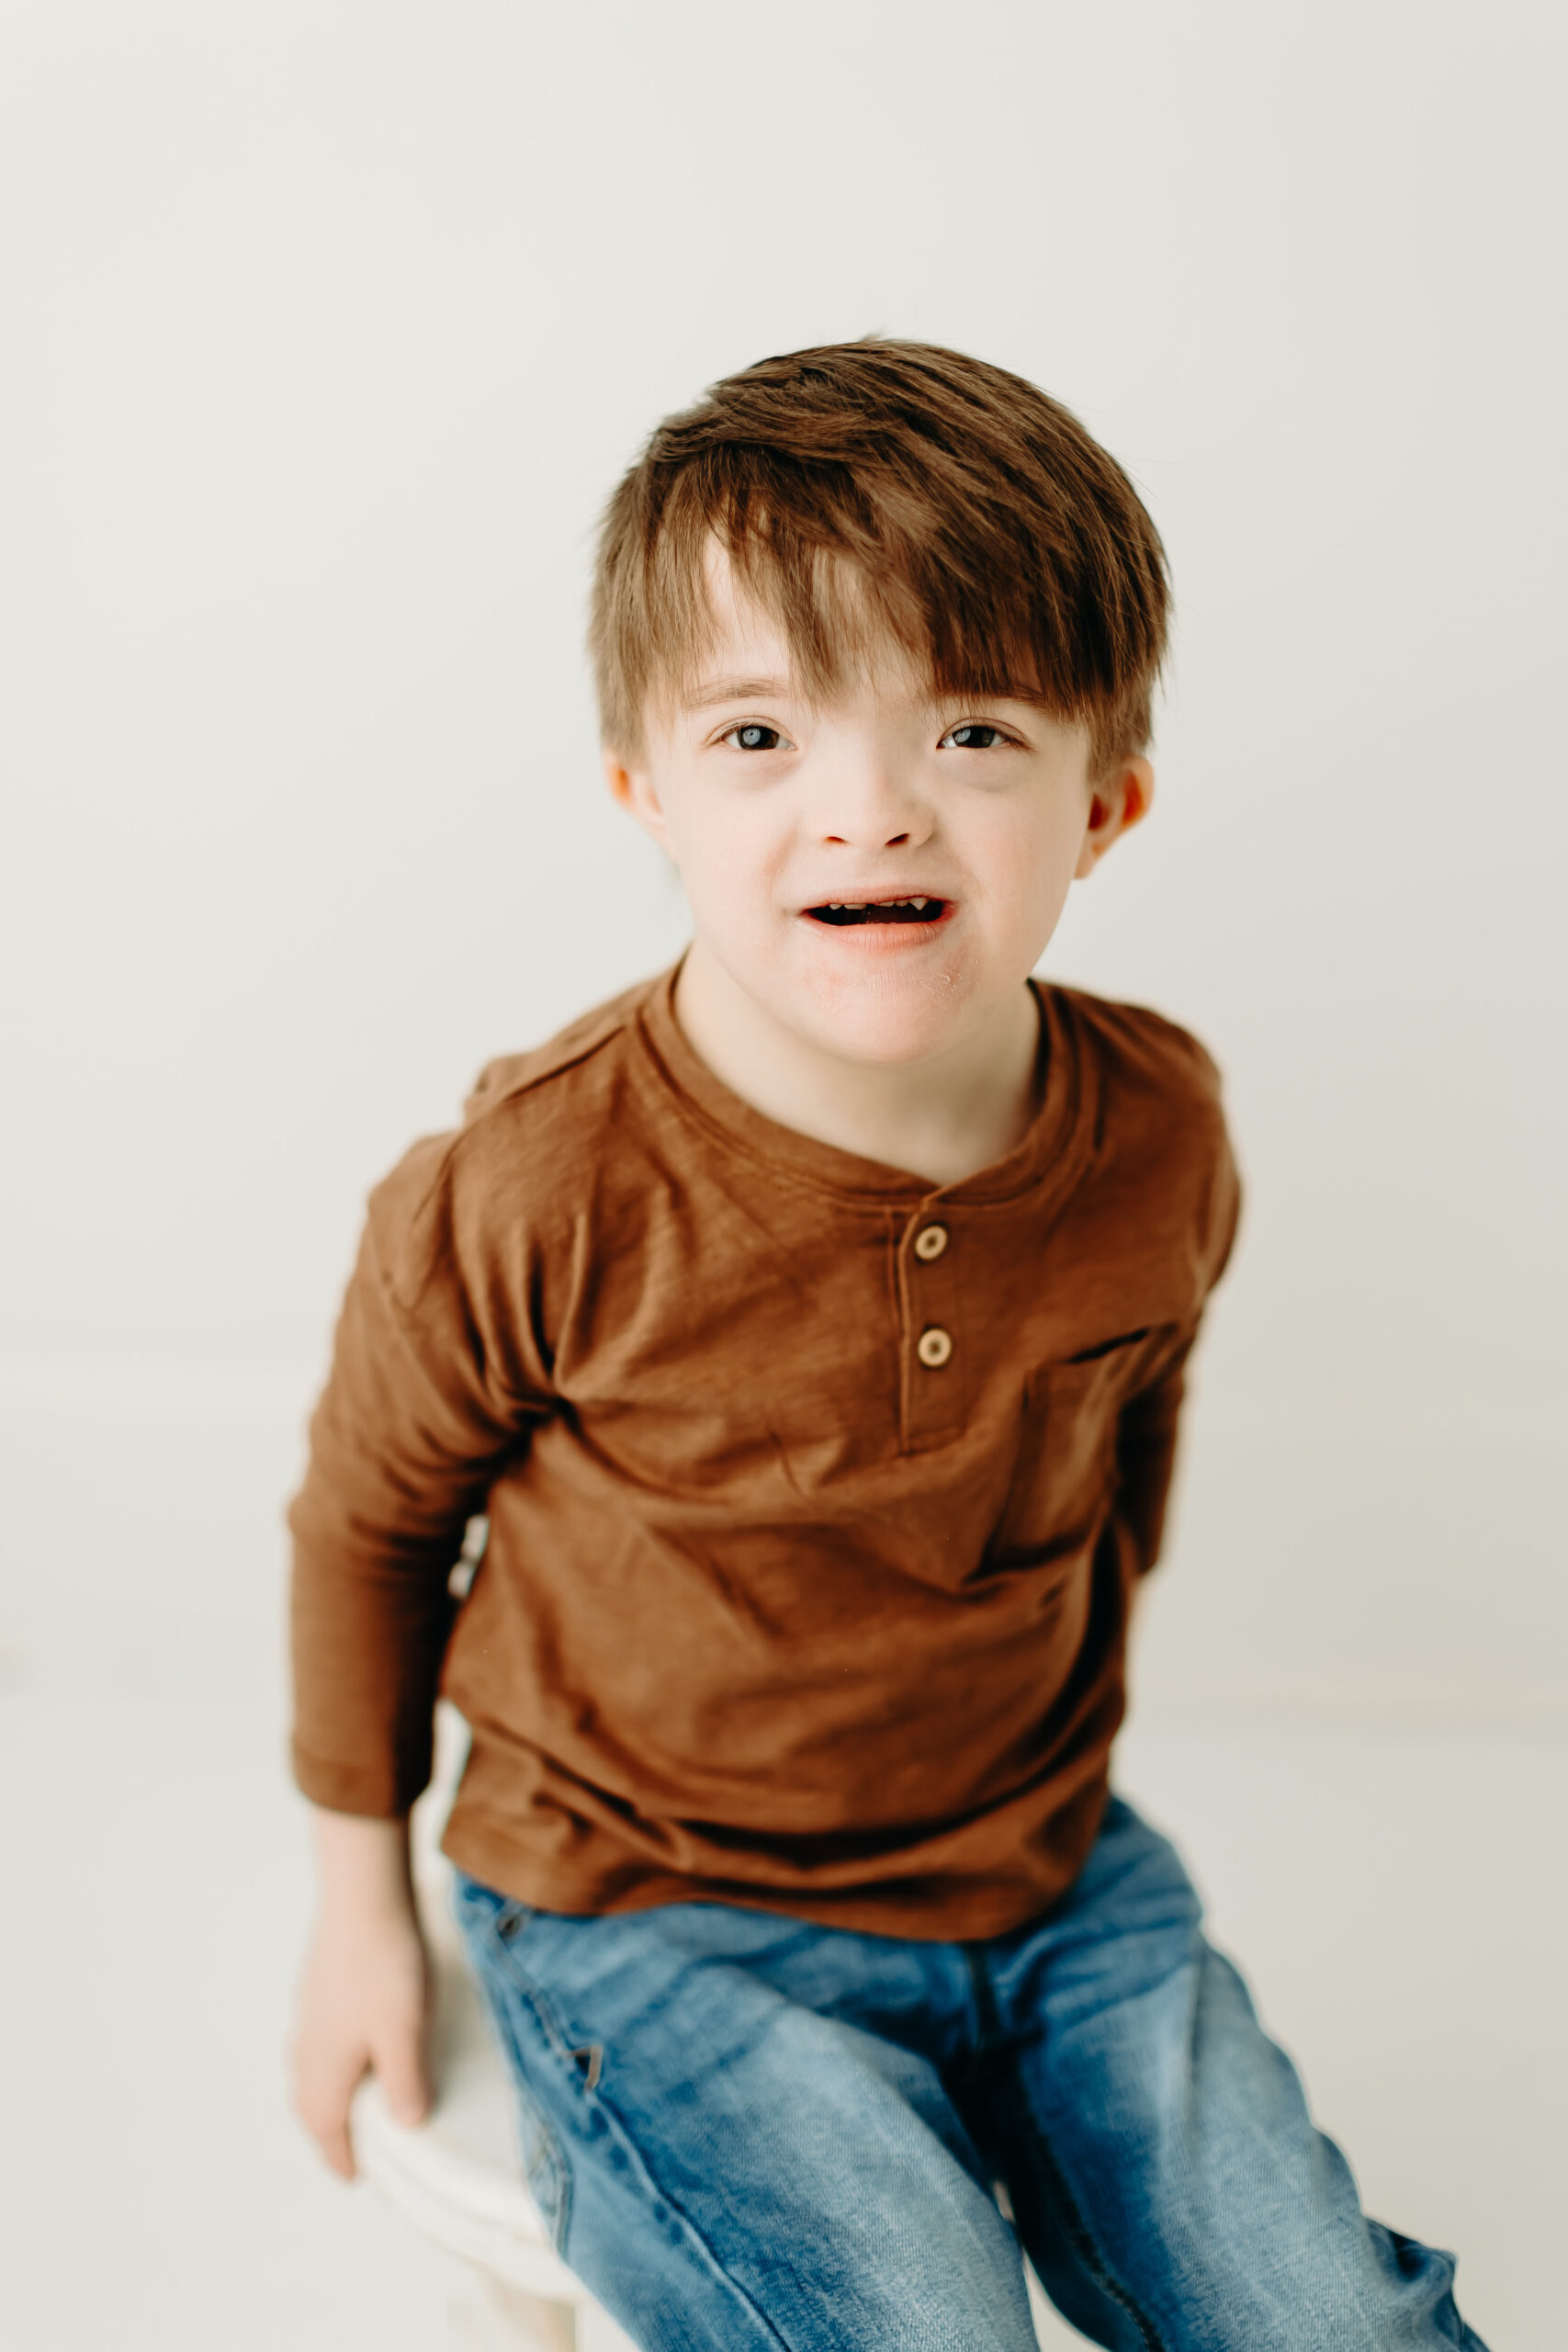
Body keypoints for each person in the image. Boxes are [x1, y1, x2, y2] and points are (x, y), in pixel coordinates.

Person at [287, 339, 1487, 2350]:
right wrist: (356, 1919)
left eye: (971, 728)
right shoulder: (531, 1185)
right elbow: (366, 1532)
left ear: (1102, 802)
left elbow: (1124, 1456)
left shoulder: (1158, 1129)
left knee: (1332, 2327)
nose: (869, 812)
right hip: (653, 1904)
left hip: (1043, 1870)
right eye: (759, 734)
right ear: (644, 791)